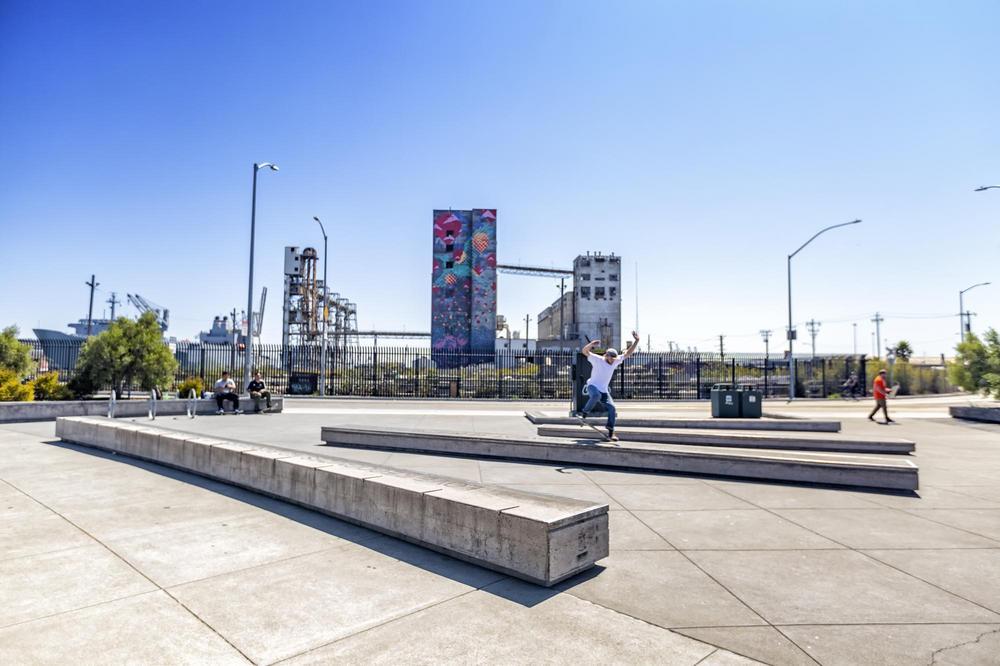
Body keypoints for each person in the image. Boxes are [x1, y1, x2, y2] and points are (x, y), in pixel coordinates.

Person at [577, 331, 641, 441]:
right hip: (592, 386)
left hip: (604, 391)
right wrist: (591, 344)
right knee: (595, 395)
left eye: (613, 358)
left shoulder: (616, 361)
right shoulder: (597, 359)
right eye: (609, 357)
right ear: (606, 355)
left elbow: (628, 354)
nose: (611, 360)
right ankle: (584, 412)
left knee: (612, 408)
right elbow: (584, 351)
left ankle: (611, 431)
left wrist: (636, 341)